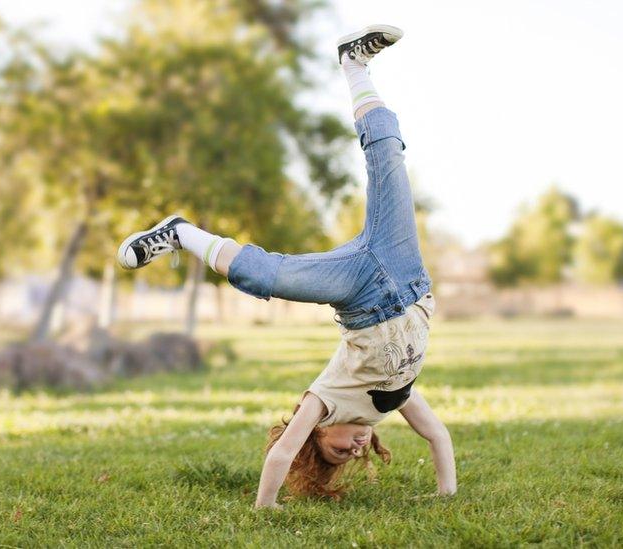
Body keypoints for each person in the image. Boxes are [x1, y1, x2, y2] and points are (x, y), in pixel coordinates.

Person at [117, 24, 456, 508]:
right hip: (405, 273)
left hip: (358, 293)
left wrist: (266, 505)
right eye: (353, 454)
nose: (354, 447)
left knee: (265, 275)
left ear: (319, 433)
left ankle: (180, 233)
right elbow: (437, 436)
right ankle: (354, 64)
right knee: (389, 158)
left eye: (337, 450)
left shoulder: (326, 399)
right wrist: (446, 495)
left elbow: (281, 454)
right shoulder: (396, 399)